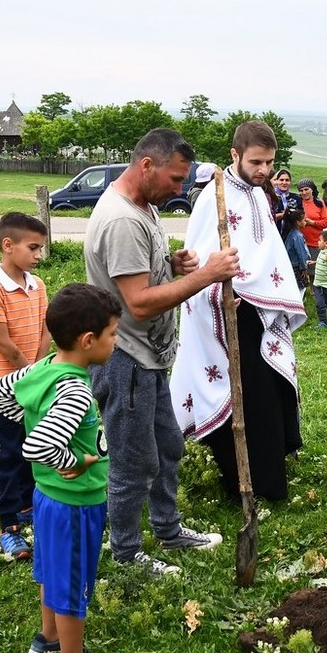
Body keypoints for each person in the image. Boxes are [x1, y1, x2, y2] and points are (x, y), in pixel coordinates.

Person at [84, 127, 238, 577]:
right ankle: (127, 553)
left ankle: (168, 530)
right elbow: (138, 301)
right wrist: (206, 274)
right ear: (146, 165)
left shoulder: (143, 206)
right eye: (174, 180)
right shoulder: (122, 220)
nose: (180, 190)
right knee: (134, 460)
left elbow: (136, 277)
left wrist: (170, 266)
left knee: (168, 445)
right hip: (126, 358)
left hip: (149, 355)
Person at [0, 283, 124, 653]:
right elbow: (39, 445)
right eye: (112, 334)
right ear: (87, 340)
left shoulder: (45, 367)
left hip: (45, 499)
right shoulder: (75, 389)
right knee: (73, 582)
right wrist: (73, 460)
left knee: (52, 572)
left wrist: (27, 412)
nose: (115, 341)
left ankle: (48, 640)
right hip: (74, 505)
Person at [170, 121, 305, 501]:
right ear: (235, 155)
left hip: (261, 313)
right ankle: (247, 485)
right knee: (242, 397)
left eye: (269, 162)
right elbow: (200, 262)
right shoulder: (214, 197)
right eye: (256, 161)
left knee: (269, 391)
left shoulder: (260, 195)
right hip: (228, 314)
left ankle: (271, 470)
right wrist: (219, 295)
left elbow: (265, 256)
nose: (264, 170)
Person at [0, 212, 51, 561]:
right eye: (33, 248)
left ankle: (29, 508)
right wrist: (31, 373)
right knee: (7, 455)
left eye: (40, 248)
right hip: (5, 386)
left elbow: (46, 331)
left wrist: (36, 369)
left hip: (31, 381)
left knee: (33, 448)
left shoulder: (37, 285)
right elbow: (3, 343)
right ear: (8, 245)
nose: (38, 255)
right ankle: (9, 527)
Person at [296, 178, 327, 261]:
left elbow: (325, 223)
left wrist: (312, 223)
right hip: (300, 242)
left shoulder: (320, 203)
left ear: (312, 189)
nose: (304, 192)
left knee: (312, 271)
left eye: (306, 189)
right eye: (301, 190)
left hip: (315, 243)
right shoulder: (297, 202)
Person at [281, 208, 310, 294]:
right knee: (300, 289)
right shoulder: (298, 236)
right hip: (297, 266)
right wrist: (304, 268)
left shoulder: (290, 233)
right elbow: (301, 253)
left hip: (292, 265)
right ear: (298, 222)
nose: (306, 222)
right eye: (304, 220)